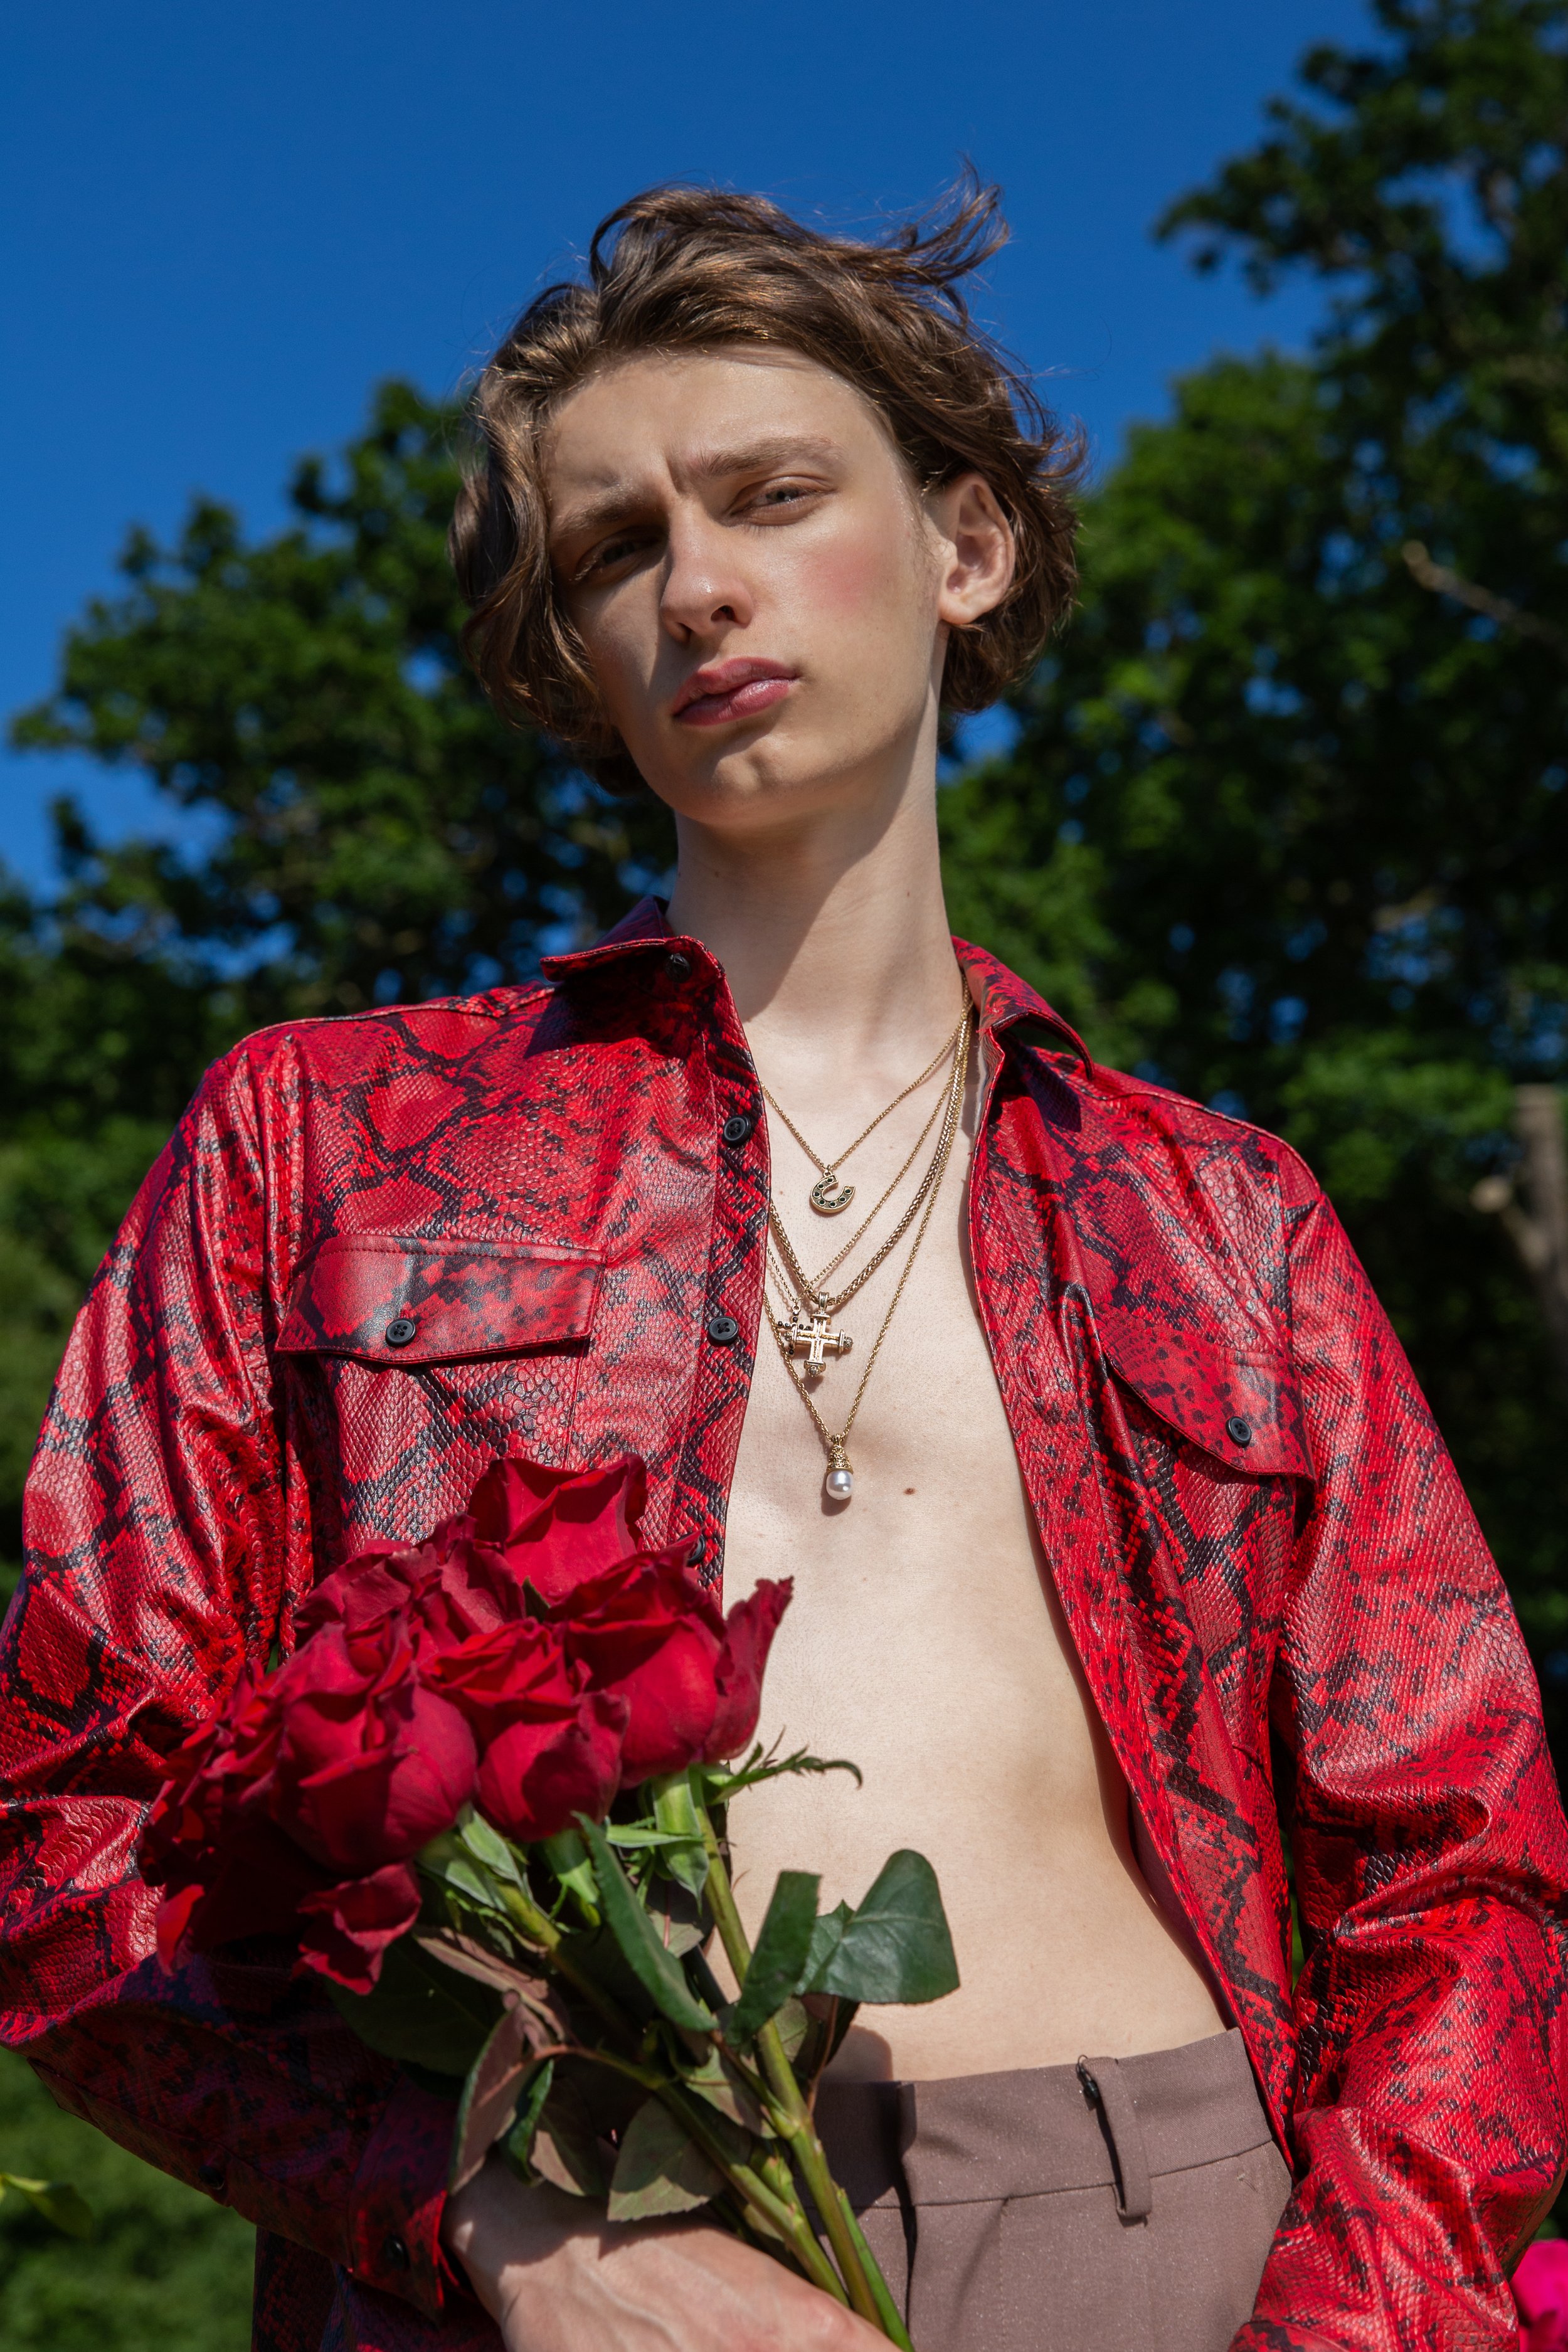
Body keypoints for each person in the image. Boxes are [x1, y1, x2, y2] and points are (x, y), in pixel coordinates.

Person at [1, 181, 1564, 2352]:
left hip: (1166, 2240)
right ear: (567, 651)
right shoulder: (319, 1143)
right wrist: (511, 2230)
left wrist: (1349, 2325)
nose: (700, 585)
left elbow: (1458, 1870)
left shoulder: (1224, 1219)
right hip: (539, 2264)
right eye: (614, 550)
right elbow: (68, 1836)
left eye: (770, 493)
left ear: (966, 543)